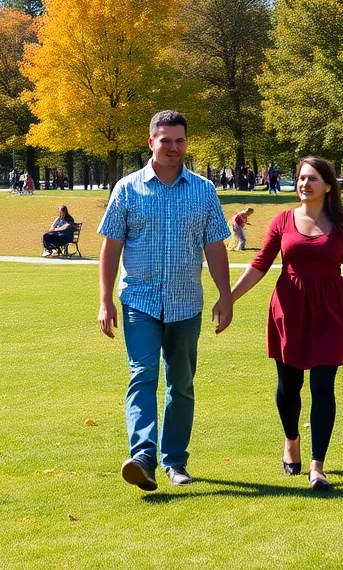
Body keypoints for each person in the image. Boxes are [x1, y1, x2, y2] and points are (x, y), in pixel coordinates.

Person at [217, 156, 343, 492]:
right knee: (289, 388)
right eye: (301, 178)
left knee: (323, 386)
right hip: (290, 309)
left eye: (312, 178)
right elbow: (259, 264)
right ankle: (291, 439)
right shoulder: (283, 220)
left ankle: (318, 466)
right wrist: (229, 298)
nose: (304, 184)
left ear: (328, 185)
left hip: (332, 311)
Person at [97, 110, 232, 491]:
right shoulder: (127, 188)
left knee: (181, 383)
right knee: (142, 374)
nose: (173, 148)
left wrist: (226, 295)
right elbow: (111, 248)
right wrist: (104, 300)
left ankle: (174, 461)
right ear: (150, 142)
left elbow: (215, 247)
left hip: (186, 303)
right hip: (139, 300)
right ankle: (143, 457)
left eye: (180, 141)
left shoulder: (203, 190)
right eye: (166, 140)